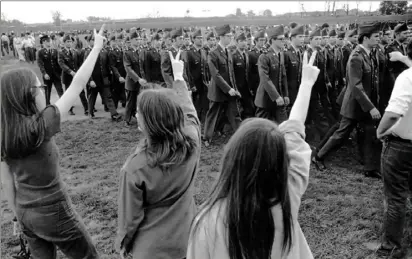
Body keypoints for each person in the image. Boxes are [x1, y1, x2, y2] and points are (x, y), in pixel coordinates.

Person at [187, 50, 320, 259]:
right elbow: (294, 130)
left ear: (232, 158)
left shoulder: (207, 220)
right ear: (280, 161)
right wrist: (307, 84)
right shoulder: (288, 195)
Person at [1, 24, 107, 259]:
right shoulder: (41, 125)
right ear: (29, 94)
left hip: (25, 212)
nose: (42, 90)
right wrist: (97, 47)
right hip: (53, 209)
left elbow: (7, 181)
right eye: (39, 87)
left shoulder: (4, 131)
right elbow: (77, 83)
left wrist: (16, 216)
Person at [116, 50, 201, 259]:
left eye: (139, 113)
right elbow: (190, 112)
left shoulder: (136, 167)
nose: (136, 115)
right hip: (188, 239)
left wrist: (122, 246)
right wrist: (179, 77)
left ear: (150, 122)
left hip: (152, 249)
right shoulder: (192, 141)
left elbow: (129, 221)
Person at [312, 22, 382, 178]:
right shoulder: (356, 57)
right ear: (365, 38)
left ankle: (370, 167)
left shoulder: (368, 53)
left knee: (370, 133)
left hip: (364, 103)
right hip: (354, 104)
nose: (379, 38)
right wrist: (371, 107)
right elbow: (356, 85)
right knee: (341, 134)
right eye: (376, 36)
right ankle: (318, 157)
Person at [375, 43, 412, 258]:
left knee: (395, 197)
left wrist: (380, 131)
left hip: (401, 145)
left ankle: (391, 247)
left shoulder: (406, 78)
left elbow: (394, 113)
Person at [203, 24, 241, 147]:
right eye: (229, 36)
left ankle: (241, 136)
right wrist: (228, 88)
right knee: (213, 113)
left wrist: (235, 88)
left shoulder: (228, 52)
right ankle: (206, 137)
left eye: (231, 36)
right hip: (218, 90)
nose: (231, 38)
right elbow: (216, 75)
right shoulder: (213, 53)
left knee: (234, 113)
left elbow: (231, 74)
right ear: (222, 37)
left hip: (230, 90)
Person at [37, 35, 64, 105]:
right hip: (47, 75)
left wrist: (60, 73)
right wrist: (44, 73)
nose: (49, 43)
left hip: (56, 74)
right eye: (48, 41)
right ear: (44, 42)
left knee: (60, 90)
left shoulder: (54, 51)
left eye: (50, 41)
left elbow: (58, 63)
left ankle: (64, 104)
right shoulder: (40, 52)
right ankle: (47, 105)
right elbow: (40, 64)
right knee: (47, 91)